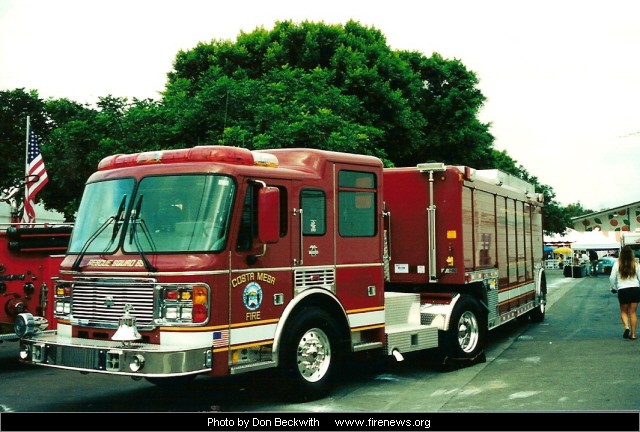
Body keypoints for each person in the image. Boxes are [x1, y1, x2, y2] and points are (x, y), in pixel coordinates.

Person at [609, 245, 640, 340]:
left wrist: (613, 287)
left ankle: (626, 327)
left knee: (624, 311)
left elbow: (612, 277)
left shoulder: (617, 264)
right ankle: (633, 334)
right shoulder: (636, 264)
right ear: (631, 254)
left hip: (623, 289)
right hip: (635, 289)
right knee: (633, 313)